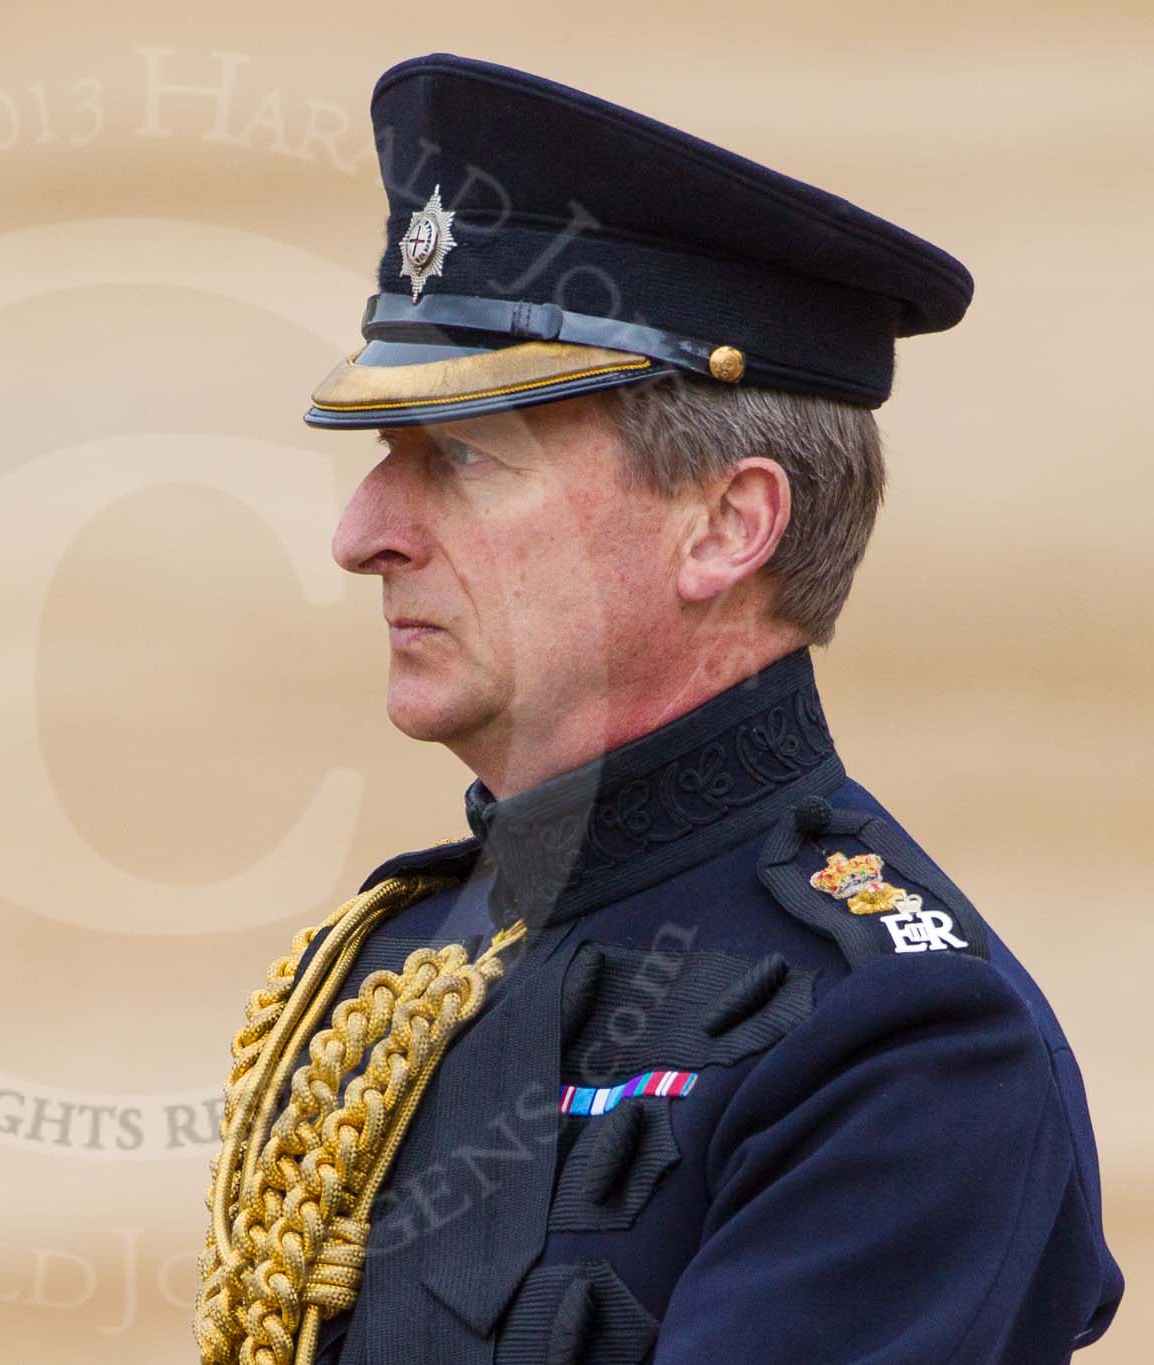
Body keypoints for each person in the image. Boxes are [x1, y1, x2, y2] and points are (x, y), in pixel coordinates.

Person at [193, 54, 1123, 1365]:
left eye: (459, 456)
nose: (365, 533)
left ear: (726, 525)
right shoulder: (395, 970)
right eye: (381, 459)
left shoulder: (902, 1055)